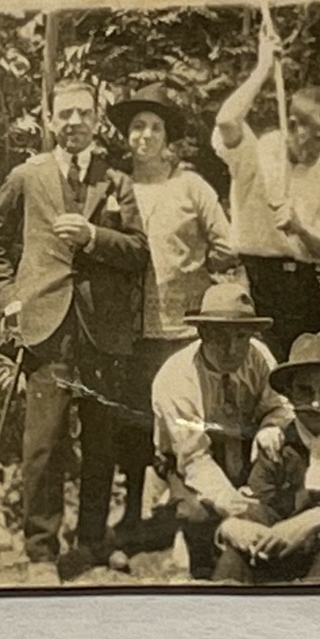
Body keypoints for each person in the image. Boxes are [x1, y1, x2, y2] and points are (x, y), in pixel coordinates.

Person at [0, 78, 148, 580]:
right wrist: (10, 301)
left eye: (83, 114)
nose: (74, 122)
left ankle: (90, 542)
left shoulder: (117, 182)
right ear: (50, 119)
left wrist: (94, 235)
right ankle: (41, 553)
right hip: (47, 328)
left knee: (101, 443)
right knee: (44, 446)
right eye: (65, 114)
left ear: (98, 120)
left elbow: (139, 252)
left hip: (104, 332)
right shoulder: (28, 176)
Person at [104, 82, 238, 543]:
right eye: (137, 126)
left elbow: (226, 244)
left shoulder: (191, 186)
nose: (145, 135)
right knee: (135, 424)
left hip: (183, 329)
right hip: (132, 330)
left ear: (168, 137)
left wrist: (197, 276)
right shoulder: (115, 187)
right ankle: (133, 517)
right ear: (127, 134)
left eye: (155, 127)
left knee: (185, 420)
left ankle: (187, 510)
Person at [212, 22, 320, 360]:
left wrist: (300, 227)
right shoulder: (256, 152)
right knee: (255, 371)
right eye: (318, 137)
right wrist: (261, 67)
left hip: (301, 288)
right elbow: (227, 120)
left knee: (305, 371)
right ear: (295, 125)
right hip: (255, 282)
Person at [213, 333, 320, 584]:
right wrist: (238, 527)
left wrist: (312, 520)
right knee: (233, 558)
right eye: (305, 391)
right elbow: (259, 503)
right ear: (289, 395)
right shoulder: (277, 444)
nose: (316, 402)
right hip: (284, 555)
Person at [150, 282, 293, 579]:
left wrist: (270, 426)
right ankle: (204, 555)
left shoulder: (259, 357)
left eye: (241, 336)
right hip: (183, 461)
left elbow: (281, 406)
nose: (232, 348)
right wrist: (234, 505)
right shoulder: (176, 378)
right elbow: (193, 458)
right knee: (196, 514)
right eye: (220, 337)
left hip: (243, 449)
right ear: (203, 333)